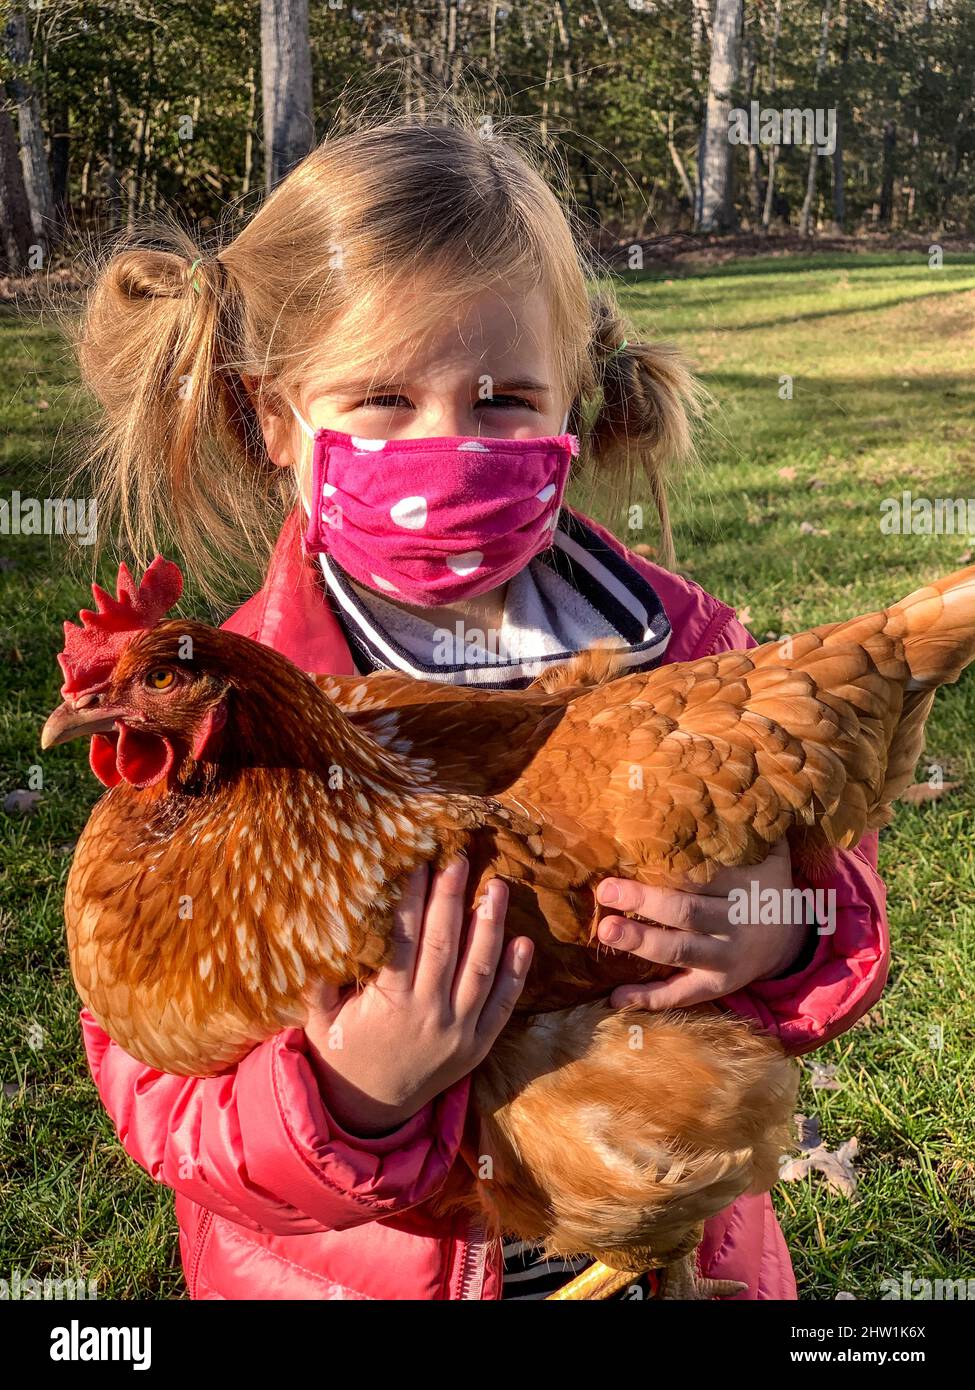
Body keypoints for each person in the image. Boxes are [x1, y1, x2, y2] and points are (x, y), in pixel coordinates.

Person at [70, 112, 888, 1300]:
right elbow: (157, 1094)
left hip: (657, 1219)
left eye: (503, 398)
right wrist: (348, 1093)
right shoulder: (227, 701)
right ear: (272, 416)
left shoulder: (676, 644)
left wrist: (779, 926)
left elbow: (838, 857)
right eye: (384, 398)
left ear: (574, 399)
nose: (448, 446)